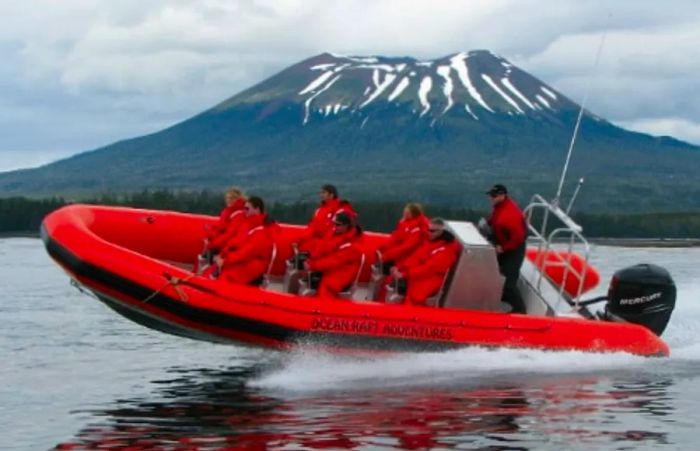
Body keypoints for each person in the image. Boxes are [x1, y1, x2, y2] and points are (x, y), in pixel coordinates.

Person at [390, 218, 460, 306]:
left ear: (440, 232)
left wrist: (405, 274)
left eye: (432, 231)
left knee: (414, 294)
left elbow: (429, 268)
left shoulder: (447, 251)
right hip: (418, 276)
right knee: (395, 283)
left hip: (429, 281)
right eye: (428, 230)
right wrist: (400, 268)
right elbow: (416, 257)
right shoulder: (431, 243)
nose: (429, 232)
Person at [214, 196, 274, 285]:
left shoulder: (261, 231)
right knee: (216, 269)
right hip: (242, 259)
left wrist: (225, 261)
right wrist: (223, 254)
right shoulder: (249, 225)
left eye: (247, 208)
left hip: (252, 263)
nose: (244, 211)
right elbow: (235, 242)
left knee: (228, 275)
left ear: (257, 209)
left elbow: (247, 252)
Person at [486, 183, 527, 313]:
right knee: (496, 277)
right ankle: (500, 305)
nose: (491, 198)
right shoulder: (499, 207)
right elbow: (493, 220)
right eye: (490, 195)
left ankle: (521, 312)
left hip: (513, 249)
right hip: (503, 244)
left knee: (508, 284)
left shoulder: (510, 214)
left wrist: (503, 248)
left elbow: (518, 238)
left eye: (494, 195)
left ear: (503, 195)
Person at [304, 211, 363, 299]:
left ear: (346, 226)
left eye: (338, 225)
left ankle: (324, 307)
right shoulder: (334, 233)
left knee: (327, 286)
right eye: (334, 224)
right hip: (330, 269)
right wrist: (311, 259)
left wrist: (313, 265)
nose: (335, 227)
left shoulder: (353, 246)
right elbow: (322, 248)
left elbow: (334, 261)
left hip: (341, 272)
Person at [195, 187, 247, 273]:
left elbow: (230, 233)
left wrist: (214, 243)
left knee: (210, 251)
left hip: (230, 244)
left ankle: (210, 272)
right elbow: (221, 227)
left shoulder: (238, 214)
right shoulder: (229, 211)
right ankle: (207, 270)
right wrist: (211, 232)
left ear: (237, 199)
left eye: (231, 198)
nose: (228, 200)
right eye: (227, 198)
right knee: (207, 251)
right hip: (225, 241)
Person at [297, 184, 356, 253]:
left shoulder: (341, 208)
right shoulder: (319, 210)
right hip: (319, 242)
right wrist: (299, 239)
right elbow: (312, 227)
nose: (321, 195)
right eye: (320, 193)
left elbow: (341, 227)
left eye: (324, 192)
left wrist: (323, 245)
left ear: (331, 195)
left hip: (331, 244)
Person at [377, 203, 430, 273]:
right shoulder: (404, 224)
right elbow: (395, 238)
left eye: (407, 213)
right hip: (399, 254)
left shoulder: (417, 228)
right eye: (404, 212)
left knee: (386, 265)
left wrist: (388, 255)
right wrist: (382, 248)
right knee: (382, 264)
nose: (404, 214)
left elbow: (408, 247)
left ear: (413, 214)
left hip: (406, 257)